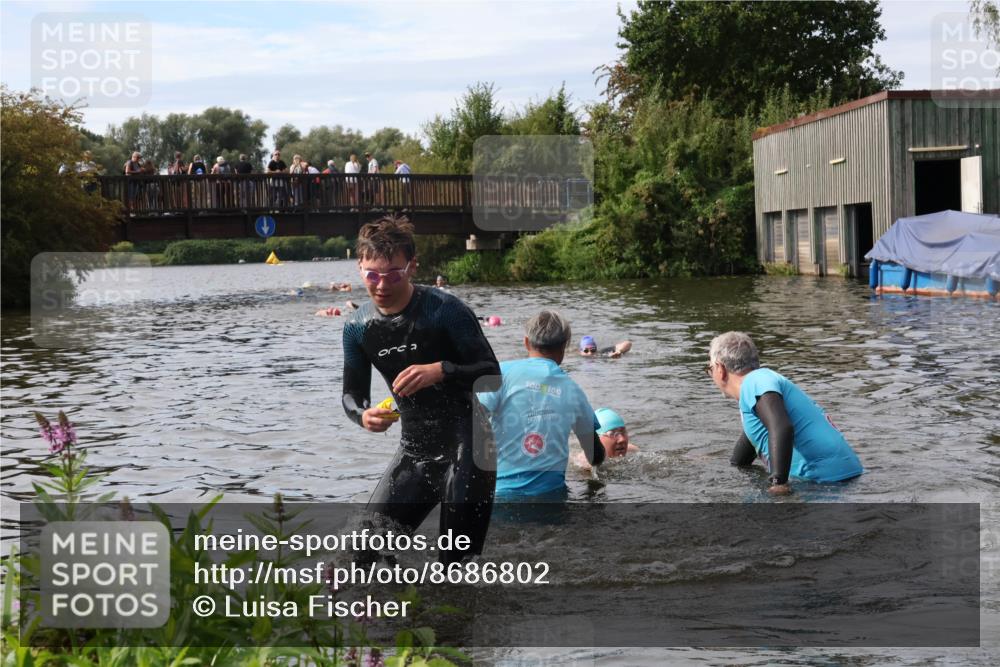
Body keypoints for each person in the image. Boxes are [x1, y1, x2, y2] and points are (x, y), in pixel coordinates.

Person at [342, 216, 501, 563]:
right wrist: (362, 414)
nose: (381, 285)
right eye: (372, 275)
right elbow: (351, 396)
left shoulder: (445, 311)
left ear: (412, 266)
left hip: (470, 447)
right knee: (359, 556)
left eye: (393, 274)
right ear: (359, 268)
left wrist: (441, 370)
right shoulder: (357, 328)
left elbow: (492, 375)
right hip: (414, 452)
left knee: (455, 568)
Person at [707, 332, 863, 495]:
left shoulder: (755, 381)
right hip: (844, 479)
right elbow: (742, 458)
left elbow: (781, 427)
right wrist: (711, 461)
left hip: (824, 481)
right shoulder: (759, 390)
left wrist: (778, 483)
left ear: (720, 369)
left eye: (709, 369)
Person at [477, 310, 605, 500]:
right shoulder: (573, 391)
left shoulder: (500, 373)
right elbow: (595, 456)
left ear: (526, 342)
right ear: (565, 347)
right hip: (551, 496)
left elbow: (470, 419)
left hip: (499, 495)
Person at [572, 408, 639, 469]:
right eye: (612, 434)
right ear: (597, 438)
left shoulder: (632, 451)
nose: (622, 439)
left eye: (623, 432)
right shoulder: (586, 461)